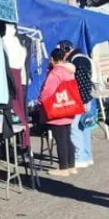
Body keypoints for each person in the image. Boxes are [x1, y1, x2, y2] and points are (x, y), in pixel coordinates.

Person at [57, 40, 98, 169]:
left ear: (66, 50)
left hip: (81, 99)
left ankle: (80, 157)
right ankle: (87, 155)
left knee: (75, 128)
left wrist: (81, 101)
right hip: (88, 98)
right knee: (85, 127)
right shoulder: (84, 58)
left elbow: (82, 83)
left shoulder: (77, 61)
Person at [39, 47, 80, 177]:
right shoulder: (69, 71)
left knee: (60, 139)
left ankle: (63, 167)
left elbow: (47, 92)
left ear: (52, 59)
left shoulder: (55, 73)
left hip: (56, 110)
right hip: (69, 108)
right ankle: (71, 165)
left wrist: (39, 101)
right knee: (67, 138)